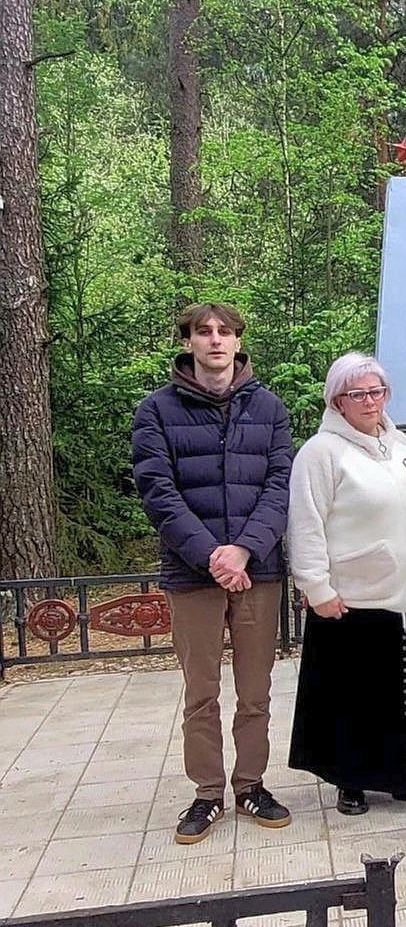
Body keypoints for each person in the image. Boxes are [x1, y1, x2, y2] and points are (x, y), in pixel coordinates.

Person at [132, 302, 292, 845]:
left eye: (225, 332)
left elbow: (279, 485)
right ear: (189, 343)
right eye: (205, 332)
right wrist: (212, 556)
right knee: (201, 692)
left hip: (258, 571)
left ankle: (250, 784)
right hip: (191, 573)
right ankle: (207, 793)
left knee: (256, 690)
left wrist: (244, 551)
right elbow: (159, 491)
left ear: (239, 341)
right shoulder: (156, 411)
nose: (216, 341)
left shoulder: (268, 408)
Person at [286, 353, 406, 816]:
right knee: (351, 696)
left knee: (402, 694)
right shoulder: (321, 453)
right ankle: (351, 781)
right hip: (348, 595)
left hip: (401, 594)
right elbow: (306, 523)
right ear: (337, 401)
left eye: (377, 391)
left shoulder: (401, 446)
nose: (370, 401)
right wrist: (316, 587)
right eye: (357, 394)